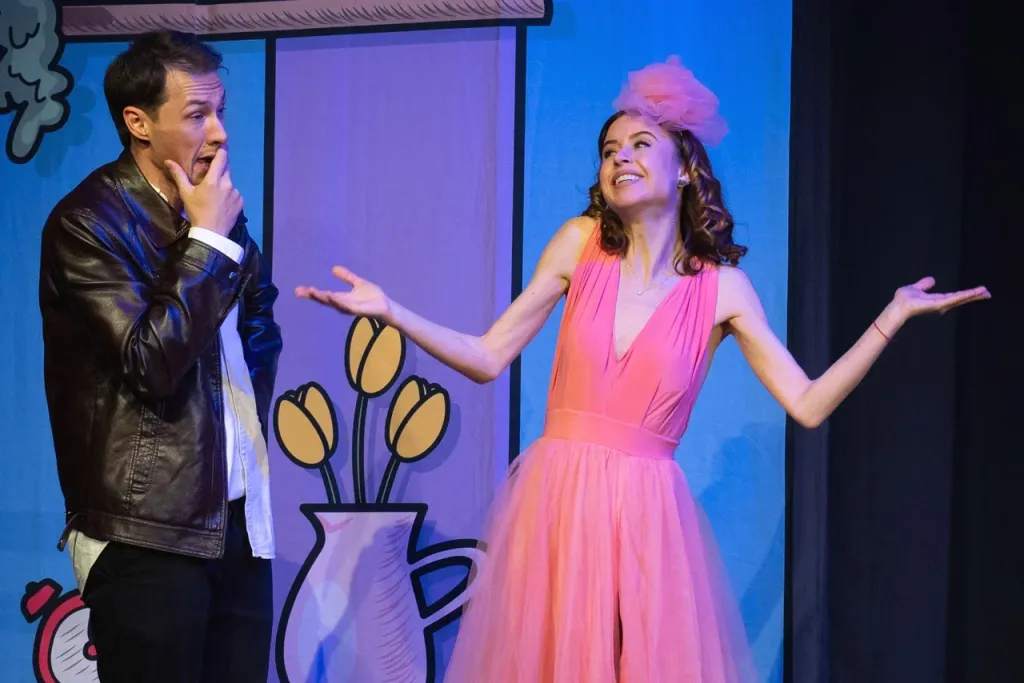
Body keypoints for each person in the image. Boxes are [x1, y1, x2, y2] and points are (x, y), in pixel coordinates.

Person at [296, 57, 989, 682]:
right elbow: (488, 355)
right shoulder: (579, 245)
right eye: (609, 150)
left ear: (685, 167)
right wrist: (391, 310)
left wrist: (892, 315)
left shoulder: (722, 289)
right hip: (556, 504)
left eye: (639, 144)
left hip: (648, 517)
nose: (619, 157)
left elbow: (806, 403)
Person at [38, 30, 281, 683]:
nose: (219, 133)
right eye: (197, 114)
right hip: (145, 526)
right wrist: (207, 241)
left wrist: (242, 420)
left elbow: (258, 319)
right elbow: (150, 361)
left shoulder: (212, 208)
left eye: (220, 110)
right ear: (138, 123)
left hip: (237, 516)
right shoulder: (89, 223)